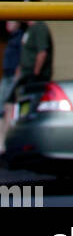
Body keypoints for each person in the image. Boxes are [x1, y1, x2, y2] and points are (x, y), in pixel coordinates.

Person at [15, 16, 53, 110]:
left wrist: (36, 73)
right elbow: (27, 52)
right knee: (19, 102)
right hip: (26, 74)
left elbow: (42, 53)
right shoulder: (29, 29)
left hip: (35, 75)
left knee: (33, 104)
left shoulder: (39, 27)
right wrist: (20, 69)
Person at [0, 20, 24, 154]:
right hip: (7, 75)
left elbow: (22, 58)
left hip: (12, 77)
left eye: (11, 21)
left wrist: (17, 76)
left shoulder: (21, 37)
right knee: (2, 107)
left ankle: (4, 143)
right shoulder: (13, 37)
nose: (8, 24)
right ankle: (1, 141)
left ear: (18, 23)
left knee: (8, 108)